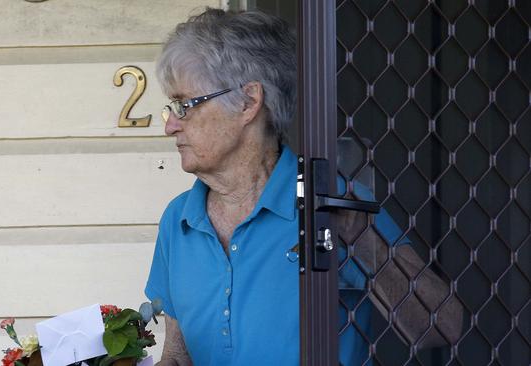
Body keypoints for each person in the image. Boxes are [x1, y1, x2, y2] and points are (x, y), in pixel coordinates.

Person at [145, 8, 463, 366]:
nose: (171, 125)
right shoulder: (178, 220)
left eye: (185, 105)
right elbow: (177, 352)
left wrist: (361, 239)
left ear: (249, 102)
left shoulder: (331, 200)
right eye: (172, 107)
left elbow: (443, 327)